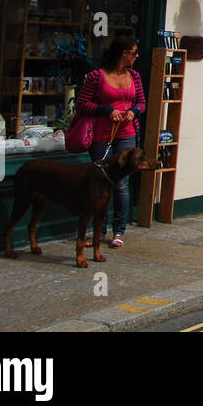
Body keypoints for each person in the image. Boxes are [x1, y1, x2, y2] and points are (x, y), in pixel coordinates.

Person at [75, 34, 146, 247]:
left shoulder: (134, 76)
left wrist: (133, 111)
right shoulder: (97, 76)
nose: (136, 56)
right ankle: (99, 230)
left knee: (121, 185)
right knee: (100, 183)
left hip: (127, 134)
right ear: (123, 54)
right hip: (101, 134)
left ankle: (119, 231)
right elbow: (82, 104)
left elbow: (142, 102)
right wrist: (107, 110)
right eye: (134, 52)